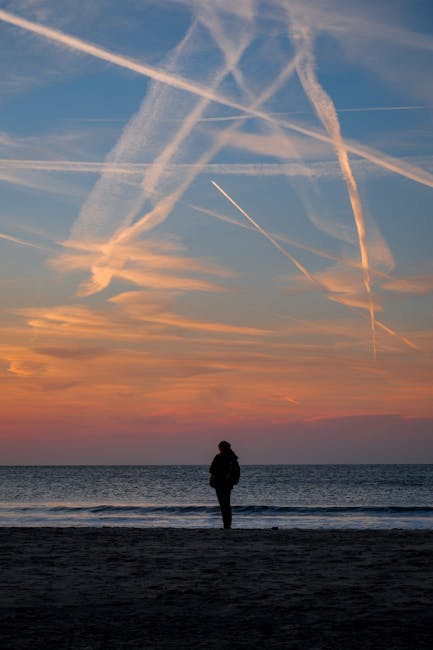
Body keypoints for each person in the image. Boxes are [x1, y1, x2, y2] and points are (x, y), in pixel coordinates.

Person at [209, 441, 240, 529]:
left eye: (219, 447)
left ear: (221, 448)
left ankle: (226, 524)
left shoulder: (219, 457)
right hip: (228, 484)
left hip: (220, 484)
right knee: (227, 504)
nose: (218, 449)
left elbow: (211, 470)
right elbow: (236, 471)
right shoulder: (233, 458)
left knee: (223, 505)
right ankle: (228, 524)